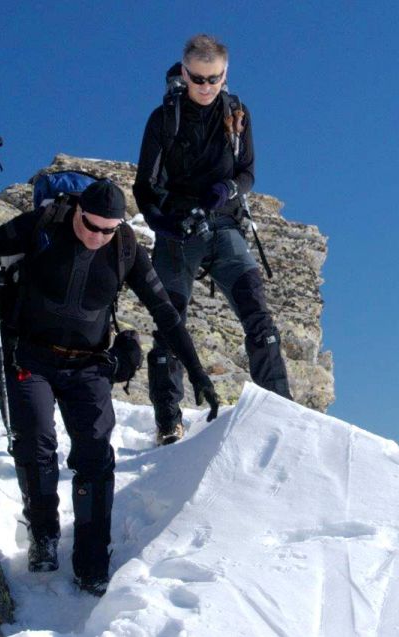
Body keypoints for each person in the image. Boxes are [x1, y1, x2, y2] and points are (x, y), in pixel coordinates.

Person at [0, 180, 219, 595]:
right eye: (91, 226)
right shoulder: (45, 223)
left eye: (108, 229)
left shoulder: (126, 247)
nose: (97, 237)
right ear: (78, 211)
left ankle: (93, 561)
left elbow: (166, 314)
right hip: (32, 356)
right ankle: (44, 534)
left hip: (89, 366)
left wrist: (197, 371)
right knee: (36, 440)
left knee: (96, 455)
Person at [133, 34, 292, 445]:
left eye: (214, 79)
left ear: (225, 74)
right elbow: (144, 188)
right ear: (184, 73)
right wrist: (164, 225)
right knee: (170, 325)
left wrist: (226, 192)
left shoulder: (237, 113)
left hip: (223, 225)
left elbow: (248, 173)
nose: (205, 87)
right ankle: (168, 422)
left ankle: (281, 412)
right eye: (198, 79)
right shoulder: (163, 119)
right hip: (177, 232)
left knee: (258, 312)